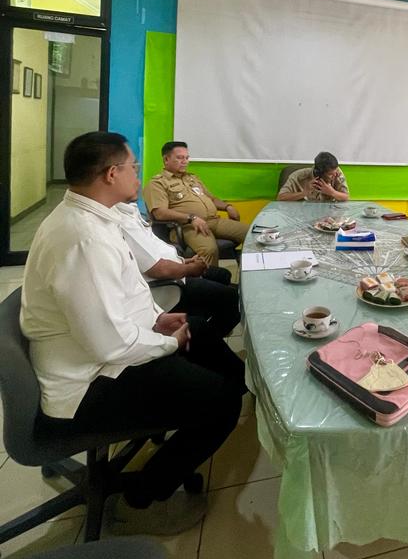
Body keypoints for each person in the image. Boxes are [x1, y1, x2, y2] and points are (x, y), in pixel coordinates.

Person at [21, 132, 244, 535]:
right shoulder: (84, 238)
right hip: (91, 380)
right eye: (133, 167)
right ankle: (142, 500)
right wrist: (168, 341)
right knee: (223, 401)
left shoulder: (98, 218)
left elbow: (124, 297)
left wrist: (159, 319)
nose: (138, 175)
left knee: (216, 353)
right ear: (111, 174)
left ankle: (190, 421)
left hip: (110, 349)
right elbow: (111, 343)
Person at [115, 200, 240, 337]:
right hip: (166, 284)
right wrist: (190, 268)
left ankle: (208, 327)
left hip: (173, 267)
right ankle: (206, 336)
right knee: (232, 298)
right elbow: (158, 268)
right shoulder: (121, 221)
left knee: (222, 275)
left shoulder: (129, 210)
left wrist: (183, 261)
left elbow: (153, 251)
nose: (138, 187)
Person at [144, 141, 248, 265]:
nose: (185, 161)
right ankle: (211, 277)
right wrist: (191, 218)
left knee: (252, 235)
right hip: (188, 226)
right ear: (166, 159)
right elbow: (160, 213)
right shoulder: (157, 183)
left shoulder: (192, 178)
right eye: (180, 158)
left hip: (214, 221)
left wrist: (228, 207)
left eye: (187, 158)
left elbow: (212, 199)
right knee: (209, 250)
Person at [277, 151, 350, 202]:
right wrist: (304, 193)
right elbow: (280, 198)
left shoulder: (337, 173)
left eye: (336, 172)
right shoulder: (298, 176)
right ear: (318, 173)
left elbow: (346, 197)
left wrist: (332, 192)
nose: (335, 175)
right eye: (330, 174)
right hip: (302, 213)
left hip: (329, 214)